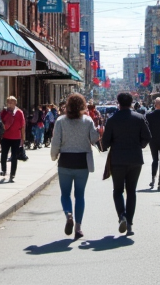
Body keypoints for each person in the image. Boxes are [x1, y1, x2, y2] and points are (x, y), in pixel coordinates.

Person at [100, 92, 151, 235]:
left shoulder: (112, 119)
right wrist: (139, 145)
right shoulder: (139, 118)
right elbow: (147, 137)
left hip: (117, 159)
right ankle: (129, 223)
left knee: (117, 191)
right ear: (131, 102)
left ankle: (121, 215)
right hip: (135, 159)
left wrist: (110, 144)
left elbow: (105, 143)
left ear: (118, 103)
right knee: (132, 191)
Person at [51, 93, 98, 239]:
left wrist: (54, 156)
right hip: (82, 161)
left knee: (65, 194)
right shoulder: (88, 120)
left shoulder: (60, 121)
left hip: (65, 160)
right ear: (83, 106)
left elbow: (55, 142)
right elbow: (94, 139)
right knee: (79, 195)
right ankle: (78, 227)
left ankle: (68, 214)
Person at [0, 96, 25, 182]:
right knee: (4, 154)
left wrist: (23, 138)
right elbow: (0, 123)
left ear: (15, 103)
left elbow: (22, 126)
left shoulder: (19, 112)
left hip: (16, 137)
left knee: (14, 156)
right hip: (5, 137)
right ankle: (4, 170)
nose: (10, 104)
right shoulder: (4, 112)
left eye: (12, 102)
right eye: (8, 102)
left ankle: (12, 174)